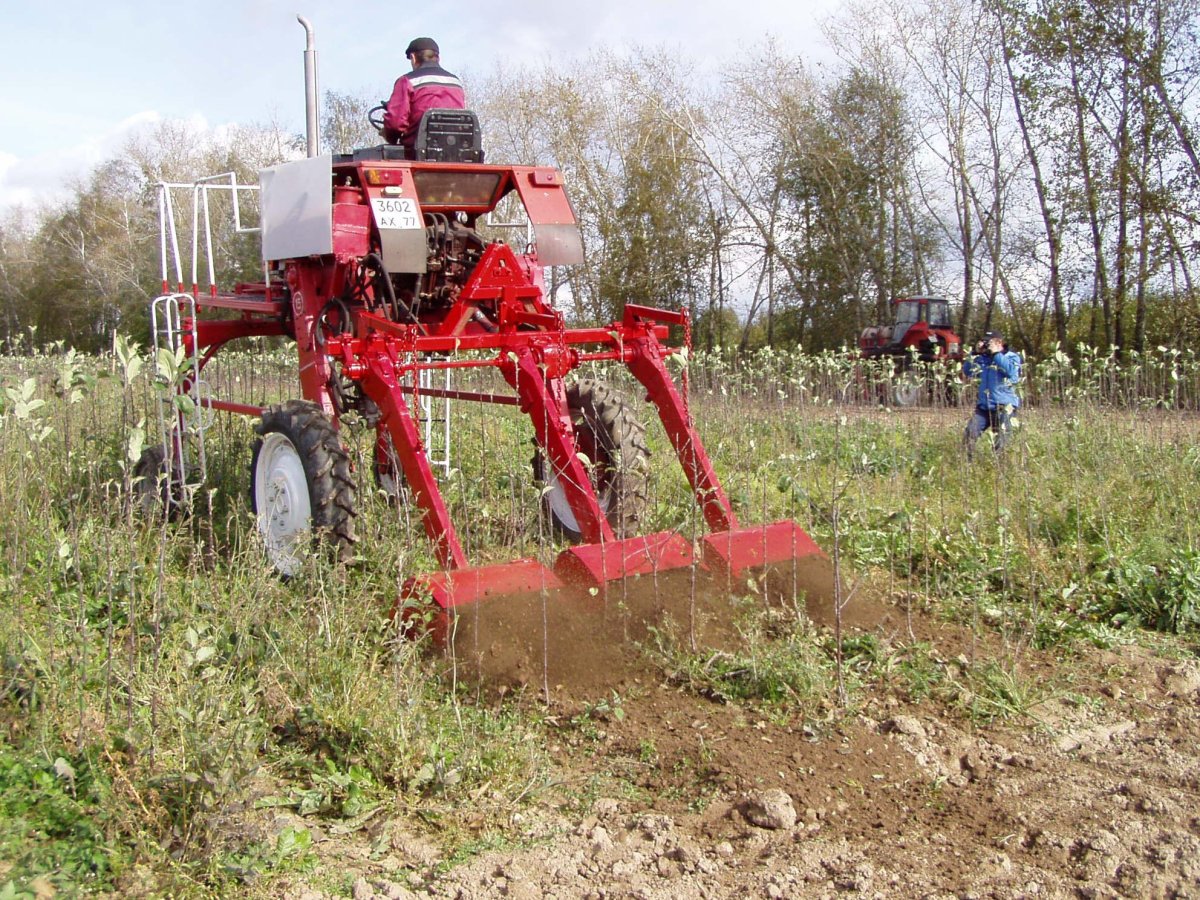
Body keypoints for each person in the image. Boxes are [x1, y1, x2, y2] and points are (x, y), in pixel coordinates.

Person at [383, 37, 466, 157]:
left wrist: (389, 135)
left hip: (415, 154)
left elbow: (395, 123)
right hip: (455, 153)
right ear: (438, 58)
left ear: (413, 57)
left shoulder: (407, 81)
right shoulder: (456, 82)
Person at [962, 330, 1023, 457]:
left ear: (999, 342)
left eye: (988, 342)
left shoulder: (1011, 357)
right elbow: (968, 371)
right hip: (984, 407)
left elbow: (1011, 372)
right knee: (969, 434)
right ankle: (967, 464)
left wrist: (996, 354)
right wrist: (975, 353)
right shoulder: (982, 358)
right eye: (984, 341)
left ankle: (999, 466)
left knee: (1001, 443)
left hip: (1005, 407)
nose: (986, 344)